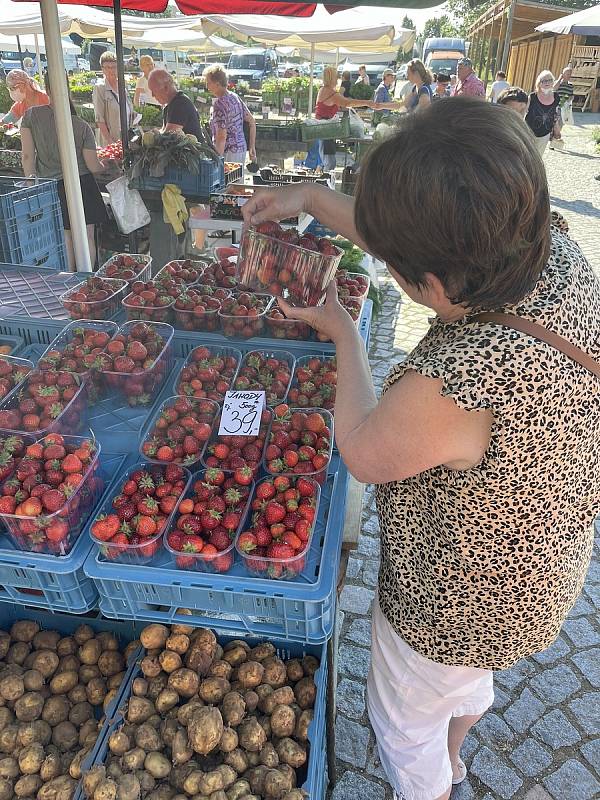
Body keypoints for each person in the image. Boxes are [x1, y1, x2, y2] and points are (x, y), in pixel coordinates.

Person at [241, 96, 600, 800]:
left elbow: (367, 453)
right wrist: (313, 196)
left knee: (405, 720)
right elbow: (431, 237)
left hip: (449, 604)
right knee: (466, 688)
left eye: (404, 273)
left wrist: (344, 331)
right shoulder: (548, 249)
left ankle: (430, 785)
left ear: (431, 285)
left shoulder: (461, 379)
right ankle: (457, 757)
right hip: (536, 566)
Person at [21, 73, 108, 271]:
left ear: (47, 89)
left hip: (51, 188)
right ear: (67, 89)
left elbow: (27, 157)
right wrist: (107, 165)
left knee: (65, 238)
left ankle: (69, 284)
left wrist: (30, 184)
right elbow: (93, 166)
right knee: (86, 237)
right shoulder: (81, 125)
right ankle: (87, 281)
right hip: (82, 185)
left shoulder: (31, 116)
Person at [312, 65, 377, 171]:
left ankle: (323, 178)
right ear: (332, 78)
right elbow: (347, 103)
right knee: (329, 163)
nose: (338, 80)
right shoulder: (330, 92)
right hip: (325, 130)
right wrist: (367, 102)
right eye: (336, 77)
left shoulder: (323, 90)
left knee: (326, 160)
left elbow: (340, 103)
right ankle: (324, 182)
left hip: (323, 128)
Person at [198, 65, 256, 166]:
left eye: (209, 83)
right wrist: (252, 147)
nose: (207, 87)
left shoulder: (219, 105)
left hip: (228, 153)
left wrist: (215, 161)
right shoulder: (234, 97)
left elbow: (221, 137)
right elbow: (252, 121)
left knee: (227, 181)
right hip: (241, 149)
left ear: (217, 84)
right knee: (237, 181)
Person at [148, 68, 203, 141]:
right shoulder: (170, 105)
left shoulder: (180, 104)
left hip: (192, 151)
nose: (152, 95)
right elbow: (164, 130)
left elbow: (168, 136)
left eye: (154, 91)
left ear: (166, 88)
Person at [92, 51, 134, 146]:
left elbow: (129, 107)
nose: (111, 70)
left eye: (114, 67)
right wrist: (110, 141)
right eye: (107, 67)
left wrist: (133, 115)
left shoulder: (123, 85)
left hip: (126, 136)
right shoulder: (100, 88)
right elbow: (99, 119)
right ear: (102, 69)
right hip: (111, 139)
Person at [525, 70, 561, 156]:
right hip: (529, 131)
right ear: (539, 83)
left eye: (550, 80)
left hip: (545, 132)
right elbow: (524, 112)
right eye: (544, 80)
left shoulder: (556, 97)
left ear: (553, 82)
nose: (547, 82)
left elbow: (555, 115)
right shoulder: (532, 96)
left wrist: (556, 129)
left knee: (538, 156)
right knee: (527, 155)